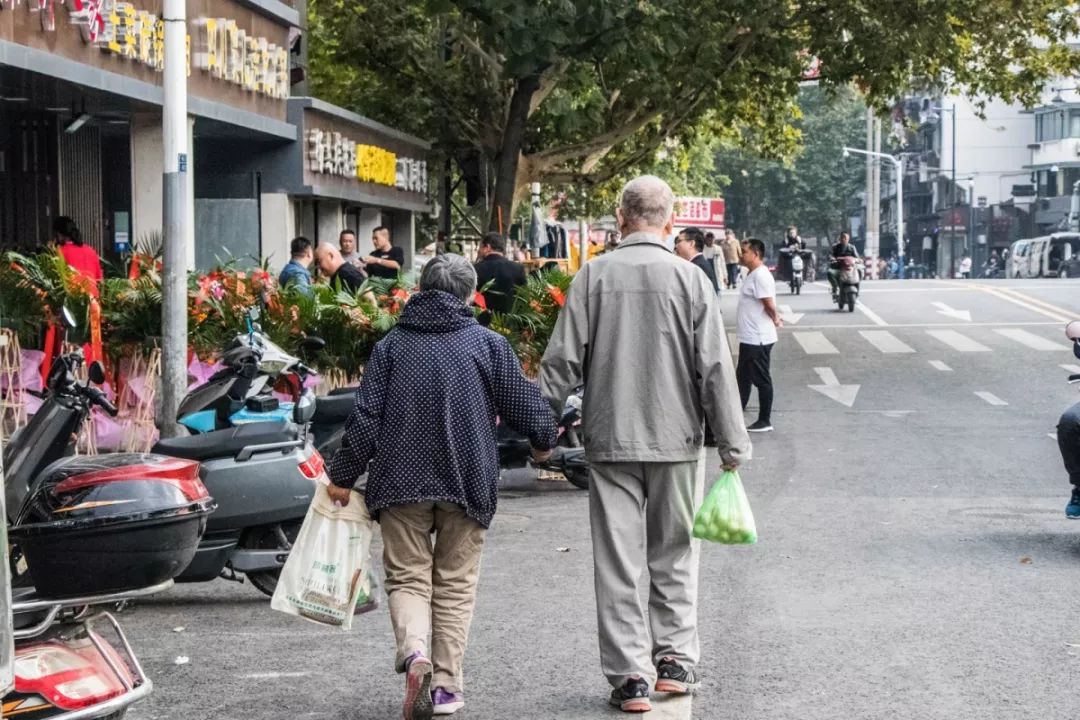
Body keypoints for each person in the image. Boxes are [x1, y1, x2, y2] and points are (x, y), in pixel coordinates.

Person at [540, 175, 751, 714]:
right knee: (676, 554)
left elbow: (561, 362)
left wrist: (540, 431)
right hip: (677, 440)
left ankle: (630, 677)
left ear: (621, 215)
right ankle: (675, 662)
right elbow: (715, 370)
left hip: (609, 439)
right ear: (670, 219)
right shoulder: (691, 279)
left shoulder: (593, 276)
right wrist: (731, 442)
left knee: (617, 561)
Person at [327, 254, 557, 720]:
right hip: (467, 480)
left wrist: (342, 477)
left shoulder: (392, 346)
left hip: (399, 482)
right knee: (454, 585)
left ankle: (415, 654)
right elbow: (527, 406)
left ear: (421, 290)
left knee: (409, 577)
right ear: (470, 294)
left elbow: (366, 419)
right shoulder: (487, 344)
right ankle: (448, 688)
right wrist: (543, 444)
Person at [736, 238, 782, 433]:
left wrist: (776, 318)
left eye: (744, 251)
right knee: (743, 377)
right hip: (749, 337)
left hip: (758, 338)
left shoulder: (761, 276)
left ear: (755, 254)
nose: (741, 255)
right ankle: (737, 413)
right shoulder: (752, 274)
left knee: (761, 379)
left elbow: (768, 304)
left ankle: (765, 420)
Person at [474, 231, 528, 313]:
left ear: (487, 247)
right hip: (512, 320)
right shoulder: (518, 268)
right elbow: (524, 297)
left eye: (481, 247)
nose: (479, 250)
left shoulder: (476, 269)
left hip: (483, 321)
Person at [54, 216, 102, 290]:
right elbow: (99, 279)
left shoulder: (60, 252)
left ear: (59, 234)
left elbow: (55, 280)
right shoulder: (91, 250)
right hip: (94, 299)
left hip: (74, 299)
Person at [675, 226, 720, 294]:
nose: (676, 246)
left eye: (679, 241)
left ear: (691, 244)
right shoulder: (697, 264)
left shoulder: (698, 267)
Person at [827, 232, 859, 300]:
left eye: (846, 238)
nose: (844, 239)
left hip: (850, 268)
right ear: (840, 238)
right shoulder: (835, 247)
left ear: (848, 239)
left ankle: (857, 290)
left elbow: (857, 257)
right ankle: (835, 288)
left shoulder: (852, 247)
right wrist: (832, 258)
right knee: (830, 272)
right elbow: (831, 255)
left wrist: (858, 260)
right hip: (838, 268)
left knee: (860, 271)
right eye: (842, 237)